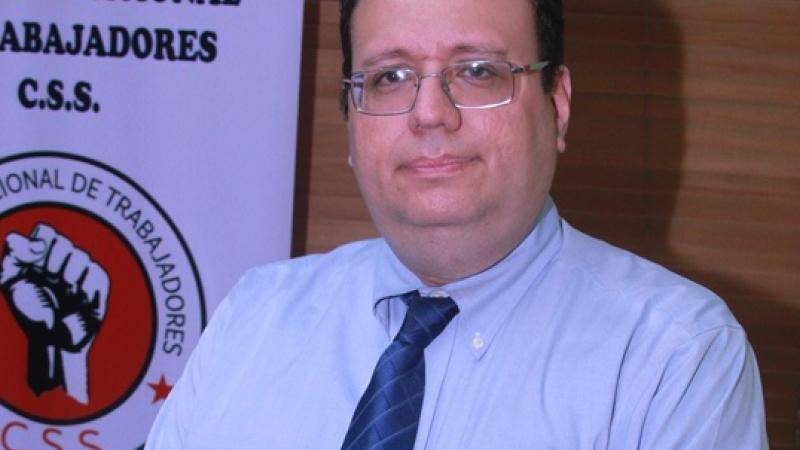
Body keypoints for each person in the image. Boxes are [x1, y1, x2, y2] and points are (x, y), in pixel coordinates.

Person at [145, 0, 768, 448]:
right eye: (390, 77)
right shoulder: (254, 317)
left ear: (557, 106)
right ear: (351, 125)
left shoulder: (674, 361)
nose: (430, 114)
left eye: (477, 71)